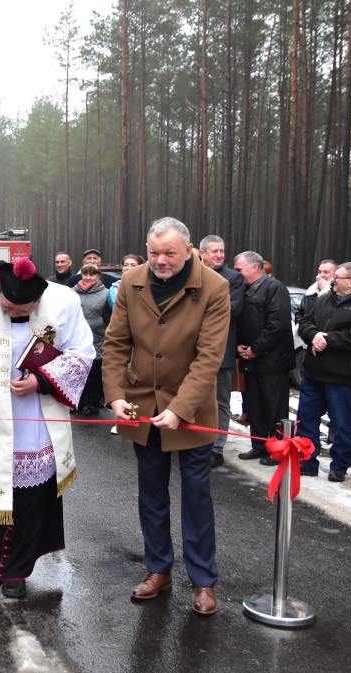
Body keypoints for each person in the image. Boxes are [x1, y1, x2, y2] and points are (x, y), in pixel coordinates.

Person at [0, 259, 93, 598]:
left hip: (37, 419)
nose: (13, 313)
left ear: (38, 300)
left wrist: (41, 380)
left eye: (22, 310)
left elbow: (82, 353)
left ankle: (15, 569)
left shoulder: (64, 302)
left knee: (27, 498)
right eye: (7, 307)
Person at [102, 216, 229, 616]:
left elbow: (209, 358)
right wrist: (115, 396)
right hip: (142, 407)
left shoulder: (215, 287)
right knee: (152, 494)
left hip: (193, 411)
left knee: (196, 496)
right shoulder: (130, 281)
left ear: (189, 251)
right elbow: (116, 343)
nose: (160, 261)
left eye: (169, 253)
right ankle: (158, 569)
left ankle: (203, 580)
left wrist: (180, 409)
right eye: (154, 252)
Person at [296, 262, 351, 483]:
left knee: (343, 425)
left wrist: (326, 340)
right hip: (314, 373)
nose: (332, 280)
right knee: (306, 420)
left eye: (338, 277)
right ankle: (307, 461)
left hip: (344, 377)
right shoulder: (325, 299)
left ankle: (340, 466)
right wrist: (313, 335)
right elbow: (305, 321)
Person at [232, 251, 294, 465]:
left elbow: (277, 324)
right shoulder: (244, 290)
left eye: (239, 269)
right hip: (251, 361)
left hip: (272, 362)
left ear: (255, 267)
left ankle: (278, 451)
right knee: (255, 407)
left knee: (275, 408)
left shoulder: (275, 288)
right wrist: (239, 346)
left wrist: (255, 349)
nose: (236, 274)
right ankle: (258, 446)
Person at [196, 237, 244, 468]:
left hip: (220, 351)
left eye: (222, 251)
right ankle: (193, 440)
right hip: (189, 350)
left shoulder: (233, 278)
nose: (219, 255)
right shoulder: (190, 274)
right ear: (201, 253)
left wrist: (192, 315)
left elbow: (229, 311)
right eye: (214, 251)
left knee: (220, 401)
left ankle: (217, 447)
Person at [73, 262, 109, 416]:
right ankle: (77, 403)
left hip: (98, 340)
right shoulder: (72, 292)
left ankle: (91, 404)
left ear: (98, 276)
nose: (88, 277)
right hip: (77, 341)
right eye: (85, 273)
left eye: (92, 274)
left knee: (94, 376)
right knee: (77, 373)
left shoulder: (107, 293)